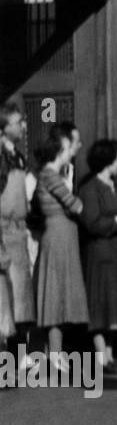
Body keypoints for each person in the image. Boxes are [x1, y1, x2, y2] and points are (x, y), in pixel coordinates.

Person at [32, 126, 90, 365]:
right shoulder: (51, 175)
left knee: (59, 294)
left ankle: (55, 352)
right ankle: (54, 354)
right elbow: (76, 206)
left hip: (62, 236)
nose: (70, 152)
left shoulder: (53, 175)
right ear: (59, 150)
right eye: (67, 148)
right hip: (58, 237)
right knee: (55, 294)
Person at [78, 140, 117, 374]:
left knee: (113, 306)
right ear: (107, 161)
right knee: (100, 305)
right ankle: (102, 357)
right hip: (101, 254)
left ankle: (111, 356)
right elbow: (92, 223)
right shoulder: (90, 189)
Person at [1, 103, 36, 345]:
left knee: (21, 299)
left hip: (19, 232)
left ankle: (15, 362)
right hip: (4, 232)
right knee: (6, 300)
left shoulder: (18, 156)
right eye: (17, 122)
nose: (23, 126)